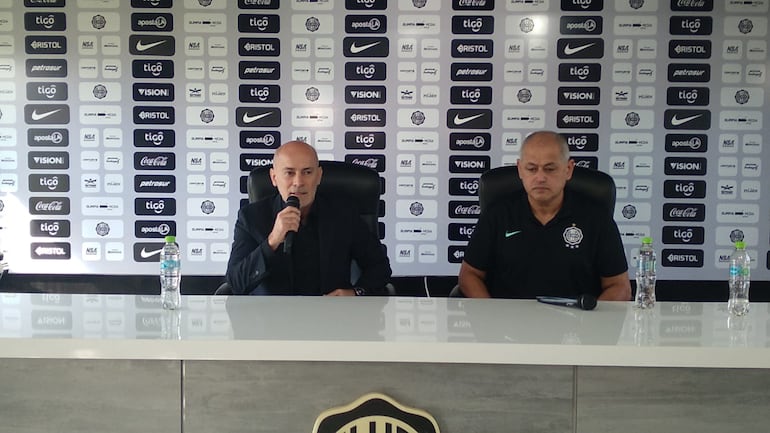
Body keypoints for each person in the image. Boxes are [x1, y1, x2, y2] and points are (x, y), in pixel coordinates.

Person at [458, 131, 632, 300]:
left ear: (568, 169)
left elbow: (619, 286)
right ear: (520, 170)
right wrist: (490, 314)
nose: (540, 177)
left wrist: (592, 323)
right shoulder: (497, 214)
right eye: (531, 169)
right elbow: (469, 275)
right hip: (509, 324)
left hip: (577, 323)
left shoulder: (596, 217)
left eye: (550, 169)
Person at [225, 140, 392, 296]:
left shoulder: (343, 214)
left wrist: (356, 293)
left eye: (307, 172)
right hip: (271, 319)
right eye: (289, 173)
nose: (298, 182)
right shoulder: (251, 217)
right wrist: (272, 241)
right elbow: (236, 284)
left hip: (330, 316)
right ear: (274, 178)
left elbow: (379, 268)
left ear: (318, 176)